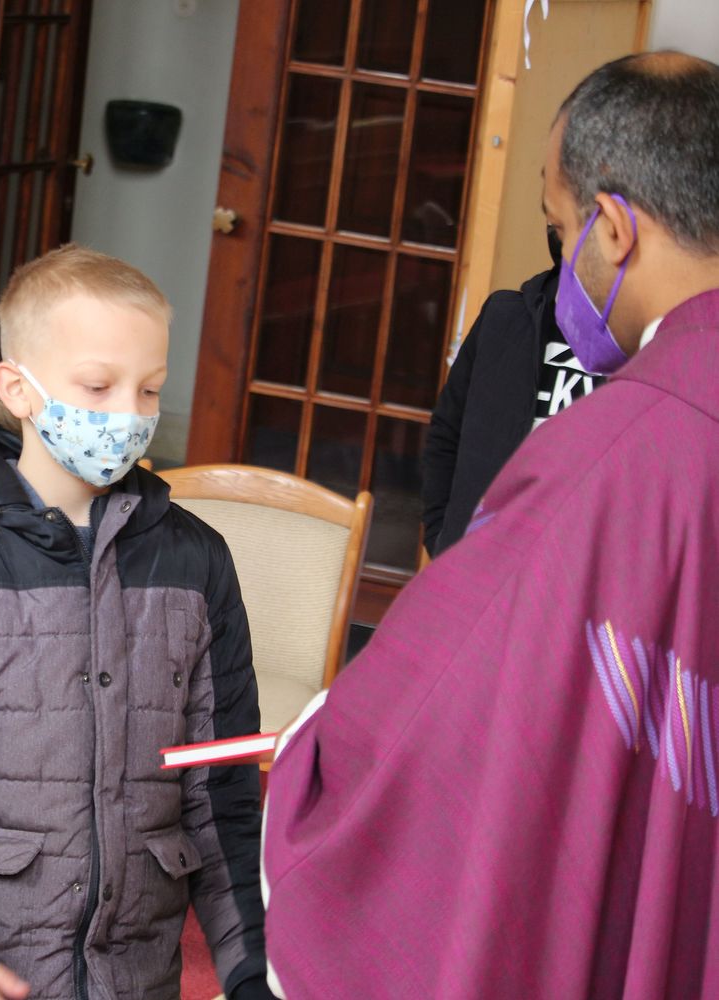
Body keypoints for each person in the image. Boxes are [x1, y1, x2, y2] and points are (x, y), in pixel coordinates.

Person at [263, 52, 719, 999]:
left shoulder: (620, 447)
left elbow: (446, 692)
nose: (563, 261)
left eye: (561, 228)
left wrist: (318, 740)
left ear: (615, 228)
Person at [0, 245, 275, 1000]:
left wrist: (251, 968)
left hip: (135, 979)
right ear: (17, 389)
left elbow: (219, 789)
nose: (128, 414)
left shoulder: (197, 561)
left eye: (150, 389)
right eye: (98, 386)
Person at [421, 227, 605, 556]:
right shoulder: (504, 318)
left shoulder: (641, 348)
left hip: (571, 563)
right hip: (478, 558)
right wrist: (442, 536)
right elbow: (447, 431)